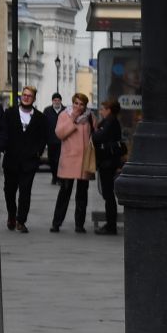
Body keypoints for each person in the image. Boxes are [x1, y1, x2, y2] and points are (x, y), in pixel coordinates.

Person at [0, 87, 49, 233]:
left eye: (29, 96)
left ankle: (21, 220)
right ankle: (11, 215)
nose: (26, 98)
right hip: (11, 159)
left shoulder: (40, 117)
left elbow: (44, 137)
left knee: (25, 192)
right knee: (9, 191)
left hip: (29, 161)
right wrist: (2, 147)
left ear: (34, 98)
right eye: (24, 95)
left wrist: (38, 152)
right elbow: (3, 131)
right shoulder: (10, 113)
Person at [49, 93, 95, 233]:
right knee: (64, 192)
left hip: (84, 161)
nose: (78, 107)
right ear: (72, 103)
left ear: (85, 105)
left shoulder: (90, 117)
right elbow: (59, 134)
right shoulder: (65, 115)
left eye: (81, 104)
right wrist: (73, 120)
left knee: (82, 194)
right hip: (69, 159)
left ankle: (79, 224)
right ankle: (56, 223)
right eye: (76, 103)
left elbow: (96, 133)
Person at [92, 98, 125, 234]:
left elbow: (98, 137)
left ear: (108, 110)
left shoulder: (110, 122)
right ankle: (110, 223)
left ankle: (111, 225)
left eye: (102, 109)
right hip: (107, 161)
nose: (100, 111)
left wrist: (95, 130)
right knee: (107, 193)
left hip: (108, 162)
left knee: (108, 193)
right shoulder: (110, 121)